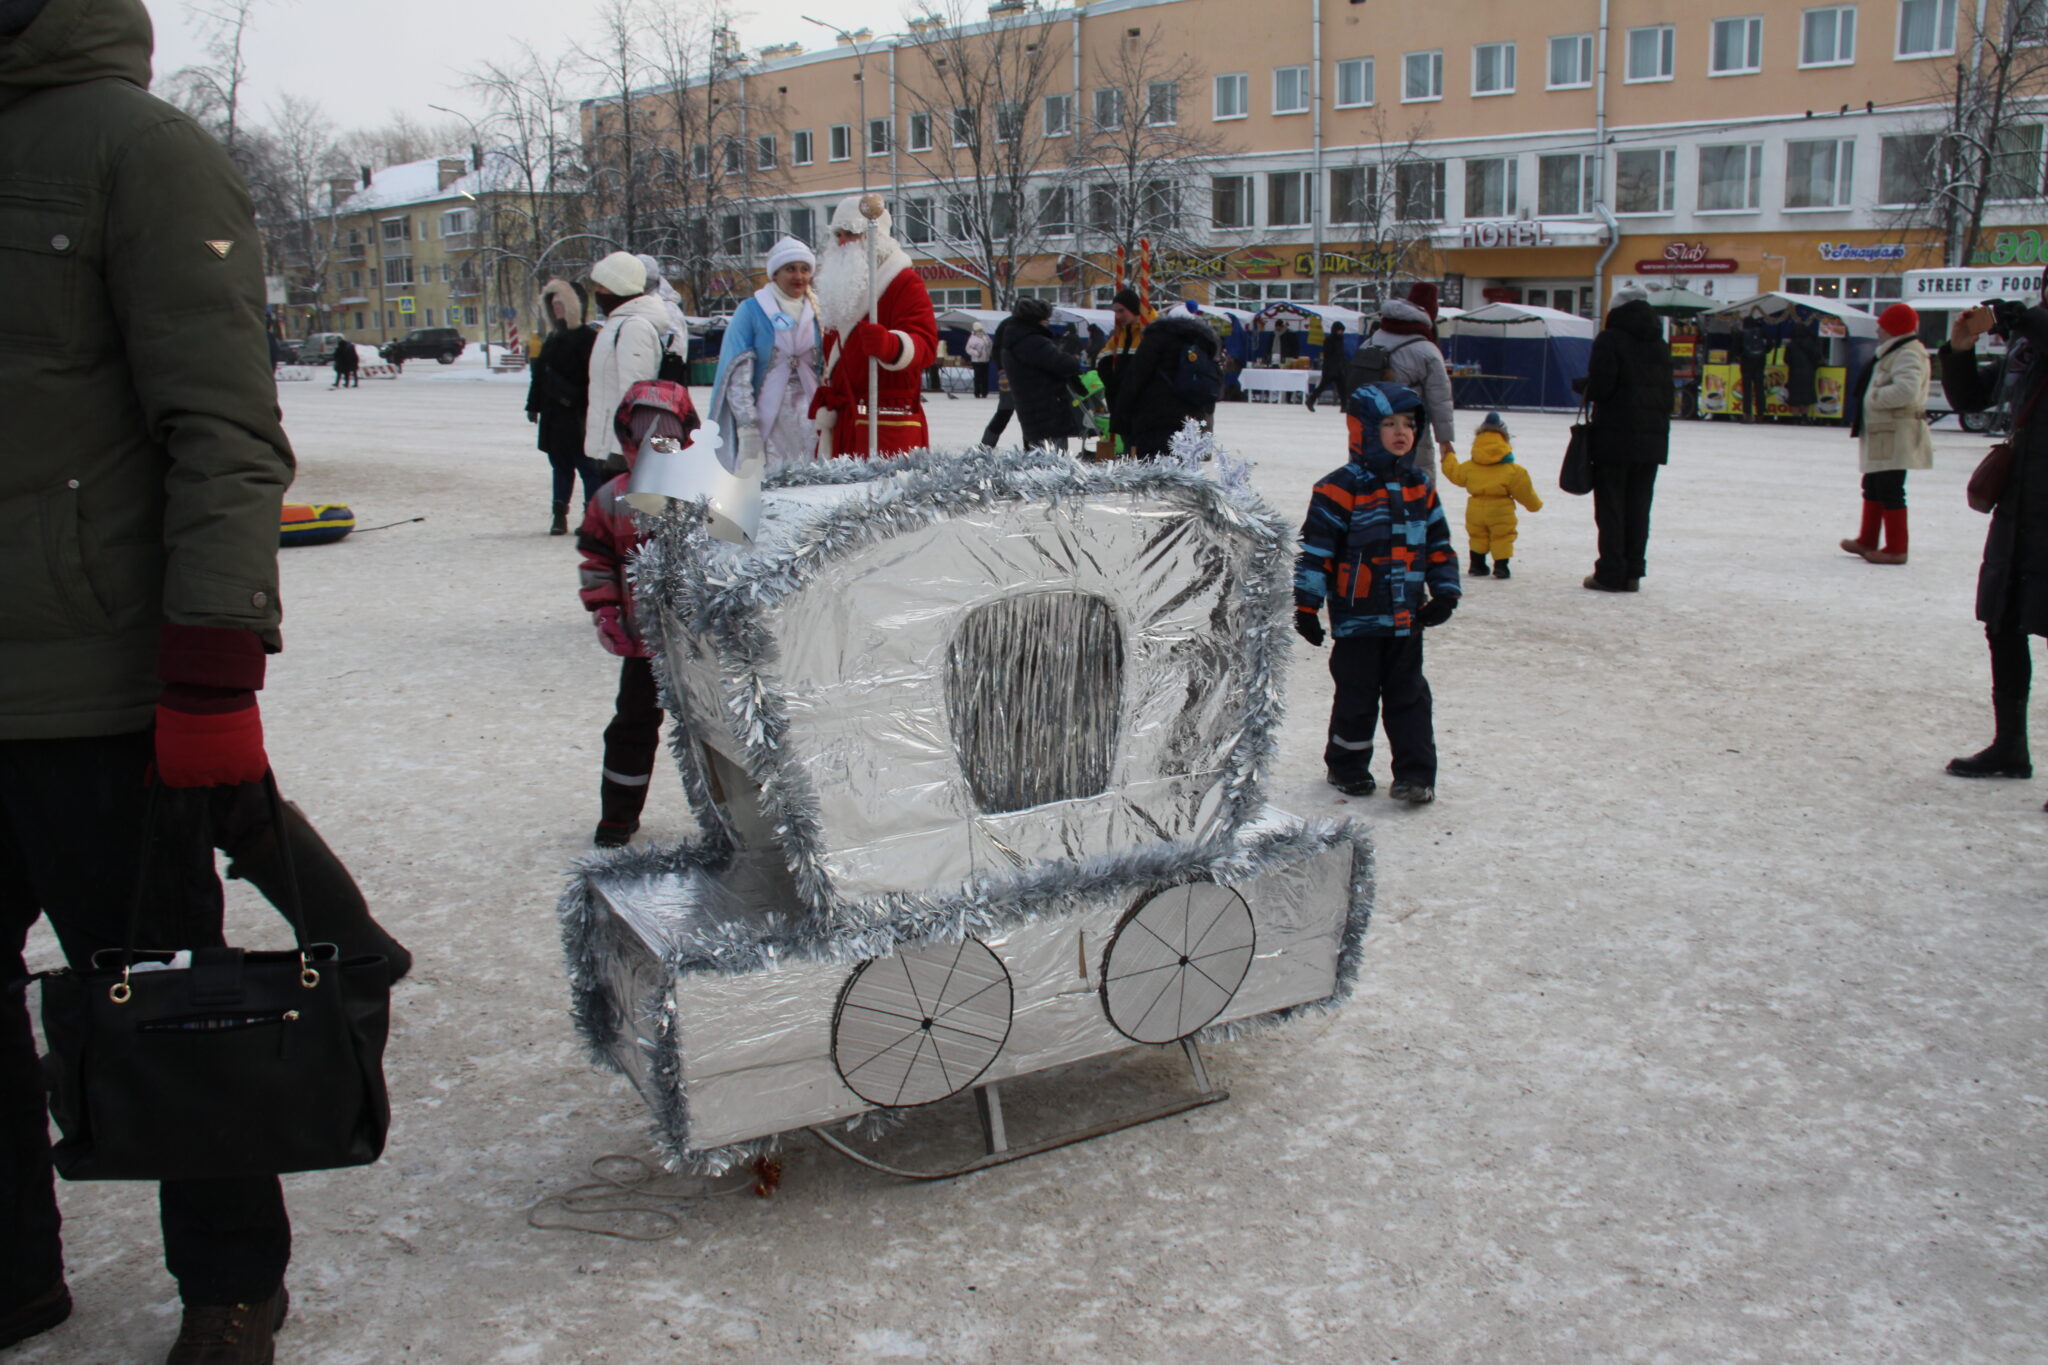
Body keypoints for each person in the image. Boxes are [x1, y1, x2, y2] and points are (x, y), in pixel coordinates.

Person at [1, 0, 323, 1355]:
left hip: (95, 690)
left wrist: (207, 674)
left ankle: (232, 1279)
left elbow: (225, 425)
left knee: (168, 993)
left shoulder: (136, 149)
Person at [1292, 383, 1461, 805]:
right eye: (1389, 423)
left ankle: (1415, 775)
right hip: (1357, 619)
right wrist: (1307, 606)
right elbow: (1316, 552)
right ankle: (1346, 766)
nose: (1402, 432)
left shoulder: (1420, 486)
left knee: (1410, 698)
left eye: (1409, 424)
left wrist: (1444, 593)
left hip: (1407, 619)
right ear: (1364, 428)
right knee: (1356, 696)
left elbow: (1438, 545)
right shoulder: (1338, 488)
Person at [1937, 297, 2048, 811]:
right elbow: (1972, 399)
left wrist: (2018, 318)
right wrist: (1960, 349)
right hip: (2023, 498)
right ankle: (2010, 746)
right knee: (2003, 621)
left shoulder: (2034, 328)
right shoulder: (2030, 340)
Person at [578, 379, 700, 846]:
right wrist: (606, 611)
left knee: (721, 729)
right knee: (632, 725)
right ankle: (618, 813)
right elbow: (597, 562)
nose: (656, 444)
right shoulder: (613, 497)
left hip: (701, 642)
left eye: (667, 434)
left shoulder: (703, 491)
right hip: (643, 643)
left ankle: (735, 814)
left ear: (685, 435)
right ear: (627, 438)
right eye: (645, 434)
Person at [809, 196, 940, 457]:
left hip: (885, 419)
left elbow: (926, 344)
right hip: (845, 418)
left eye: (852, 234)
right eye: (839, 234)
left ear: (875, 237)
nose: (843, 241)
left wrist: (891, 346)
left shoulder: (903, 282)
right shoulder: (843, 288)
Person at [1578, 286, 1673, 593]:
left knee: (1611, 507)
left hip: (1615, 438)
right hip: (1652, 440)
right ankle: (1633, 572)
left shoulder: (1610, 339)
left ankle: (1610, 572)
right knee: (1639, 507)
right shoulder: (1660, 343)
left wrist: (1584, 385)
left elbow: (1603, 387)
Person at [706, 236, 822, 474]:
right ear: (775, 273)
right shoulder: (751, 311)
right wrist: (747, 427)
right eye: (790, 269)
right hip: (767, 417)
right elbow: (738, 373)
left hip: (812, 416)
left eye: (804, 269)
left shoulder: (821, 311)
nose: (798, 277)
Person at [1840, 303, 1930, 566]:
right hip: (1884, 432)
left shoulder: (1908, 353)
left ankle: (1896, 548)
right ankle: (1867, 539)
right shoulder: (1895, 350)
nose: (1878, 328)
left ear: (1894, 327)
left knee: (1891, 488)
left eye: (1882, 324)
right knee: (1873, 485)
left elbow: (1907, 391)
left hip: (1895, 431)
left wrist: (1875, 397)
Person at [584, 251, 675, 475]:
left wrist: (621, 451)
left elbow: (636, 396)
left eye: (603, 287)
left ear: (619, 287)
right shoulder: (617, 323)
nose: (597, 293)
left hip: (621, 456)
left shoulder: (634, 327)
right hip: (607, 450)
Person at [526, 278, 603, 535]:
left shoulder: (587, 338)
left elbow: (594, 378)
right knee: (560, 468)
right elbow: (539, 376)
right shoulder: (552, 338)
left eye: (561, 304)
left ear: (574, 306)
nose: (557, 309)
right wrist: (533, 405)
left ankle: (591, 517)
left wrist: (576, 399)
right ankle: (559, 516)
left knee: (587, 467)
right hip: (554, 417)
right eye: (553, 305)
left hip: (579, 415)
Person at [1358, 284, 1455, 482]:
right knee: (1417, 485)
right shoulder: (1427, 350)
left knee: (1370, 483)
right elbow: (1440, 399)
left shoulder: (1371, 341)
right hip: (1410, 427)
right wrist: (1445, 440)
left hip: (1371, 425)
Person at [1109, 303, 1223, 458]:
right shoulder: (1202, 343)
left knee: (1152, 475)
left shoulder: (1155, 340)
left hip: (1154, 420)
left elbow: (1135, 378)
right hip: (1191, 421)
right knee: (1184, 476)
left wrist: (1121, 417)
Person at [1441, 411, 1543, 579]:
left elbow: (1455, 474)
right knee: (1502, 536)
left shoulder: (1470, 466)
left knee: (1477, 535)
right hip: (1500, 509)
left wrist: (1449, 457)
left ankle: (1477, 564)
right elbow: (1524, 491)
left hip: (1475, 509)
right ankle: (1501, 567)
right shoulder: (1513, 470)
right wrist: (1534, 505)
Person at [1000, 298, 1091, 452]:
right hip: (1047, 412)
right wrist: (1074, 360)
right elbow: (1062, 363)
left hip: (1034, 411)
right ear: (1036, 320)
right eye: (1045, 319)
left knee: (1039, 463)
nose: (1047, 322)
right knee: (1054, 467)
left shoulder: (1015, 339)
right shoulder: (1032, 342)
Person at [1094, 289, 1149, 406]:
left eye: (1121, 311)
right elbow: (1101, 357)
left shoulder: (1151, 330)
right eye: (1116, 312)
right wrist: (1112, 383)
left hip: (1144, 402)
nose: (1118, 316)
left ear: (1133, 309)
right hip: (1123, 402)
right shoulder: (1120, 334)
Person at [1785, 307, 1824, 422]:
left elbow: (1786, 360)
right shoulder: (1811, 343)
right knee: (1807, 396)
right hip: (1808, 373)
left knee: (1795, 396)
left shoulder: (1791, 345)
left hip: (1794, 373)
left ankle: (1795, 416)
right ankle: (1805, 416)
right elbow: (1817, 357)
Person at [1304, 321, 1347, 413]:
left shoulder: (1341, 340)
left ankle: (1344, 406)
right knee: (1322, 386)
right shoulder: (1329, 340)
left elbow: (1341, 354)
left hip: (1339, 368)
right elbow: (1328, 354)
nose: (1341, 333)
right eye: (1339, 331)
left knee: (1342, 388)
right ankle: (1311, 400)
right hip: (1330, 368)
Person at [1738, 308, 1772, 423]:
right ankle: (1760, 414)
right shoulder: (1761, 331)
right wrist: (1763, 353)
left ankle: (1748, 414)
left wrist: (1740, 355)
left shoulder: (1742, 333)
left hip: (1746, 364)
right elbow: (1770, 344)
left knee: (1747, 390)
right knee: (1759, 389)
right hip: (1759, 363)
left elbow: (1735, 348)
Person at [965, 321, 993, 398]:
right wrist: (976, 353)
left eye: (980, 329)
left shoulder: (986, 336)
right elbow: (968, 349)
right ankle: (977, 392)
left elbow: (990, 345)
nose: (980, 330)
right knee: (978, 377)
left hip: (985, 360)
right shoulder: (972, 338)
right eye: (978, 329)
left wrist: (990, 353)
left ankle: (984, 392)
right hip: (977, 361)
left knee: (985, 377)